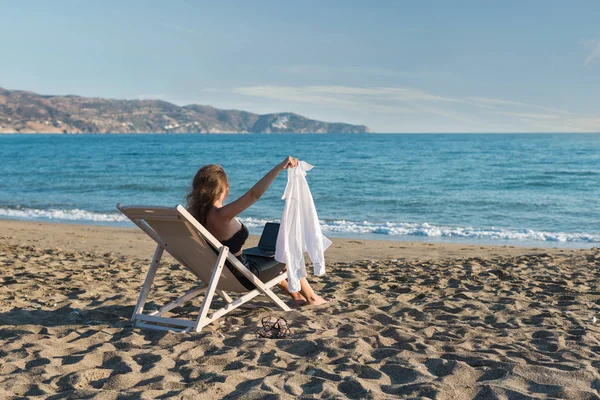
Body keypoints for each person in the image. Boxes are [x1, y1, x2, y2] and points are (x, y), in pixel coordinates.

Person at [186, 156, 331, 307]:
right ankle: (312, 297)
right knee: (287, 254)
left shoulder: (194, 215)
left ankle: (296, 296)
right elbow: (253, 195)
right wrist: (278, 168)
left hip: (218, 270)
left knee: (270, 255)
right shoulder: (220, 215)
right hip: (242, 275)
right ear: (223, 188)